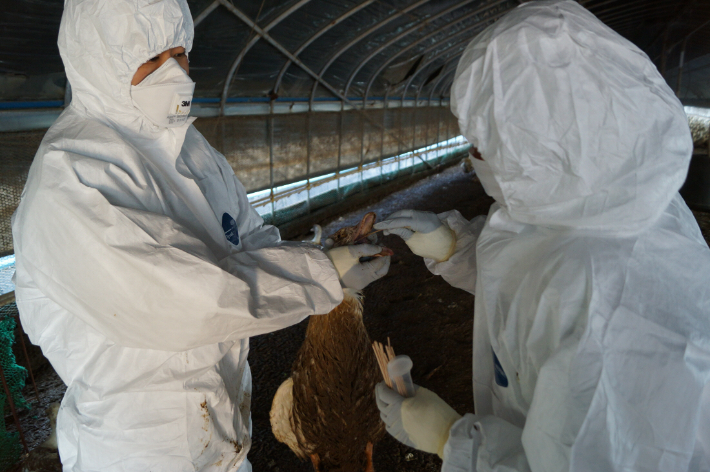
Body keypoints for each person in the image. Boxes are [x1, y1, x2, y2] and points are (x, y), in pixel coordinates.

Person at [11, 0, 389, 471]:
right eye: (150, 59)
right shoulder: (73, 175)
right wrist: (320, 275)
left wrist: (324, 254)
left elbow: (249, 242)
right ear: (98, 61)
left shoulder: (190, 148)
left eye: (179, 52)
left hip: (223, 439)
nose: (173, 72)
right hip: (142, 452)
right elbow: (180, 304)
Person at [373, 1, 710, 471]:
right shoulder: (615, 195)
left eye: (484, 143)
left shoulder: (615, 315)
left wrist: (455, 443)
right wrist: (456, 247)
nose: (476, 158)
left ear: (543, 140)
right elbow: (533, 276)